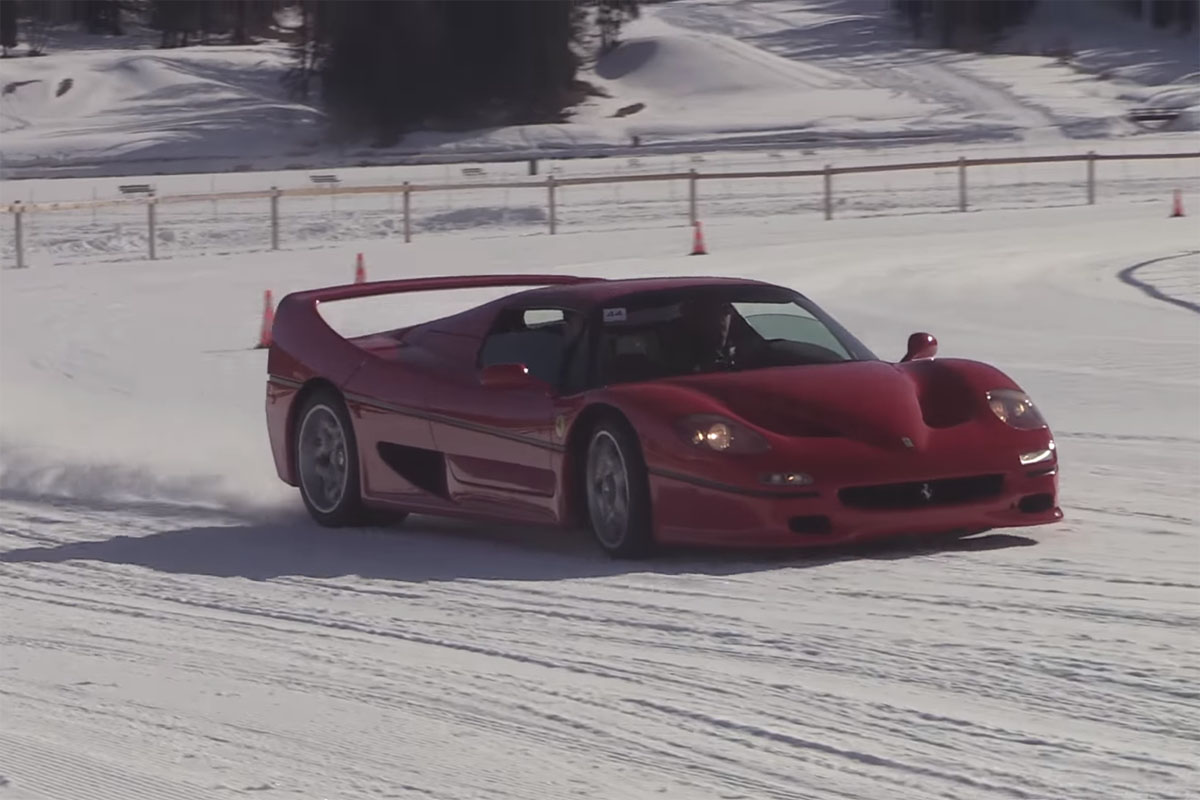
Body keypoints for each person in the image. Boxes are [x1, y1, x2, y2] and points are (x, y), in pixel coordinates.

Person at [675, 297, 738, 373]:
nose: (720, 317)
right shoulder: (678, 357)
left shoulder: (741, 353)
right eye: (708, 309)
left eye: (726, 308)